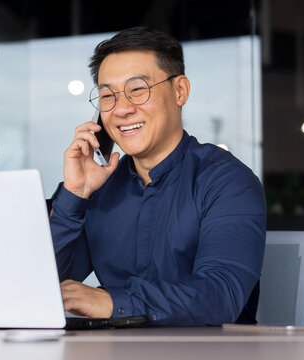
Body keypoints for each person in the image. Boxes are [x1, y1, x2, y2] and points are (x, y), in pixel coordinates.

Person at [48, 27, 266, 326]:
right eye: (108, 95)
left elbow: (221, 295)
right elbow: (42, 284)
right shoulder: (100, 188)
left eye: (137, 90)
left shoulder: (227, 182)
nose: (121, 109)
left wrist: (112, 302)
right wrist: (74, 195)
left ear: (180, 91)